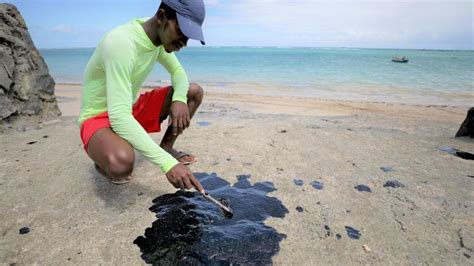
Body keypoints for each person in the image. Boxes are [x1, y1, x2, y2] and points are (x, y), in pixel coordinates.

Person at [78, 0, 206, 192]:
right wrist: (168, 165)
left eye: (190, 38)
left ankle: (166, 147)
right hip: (98, 118)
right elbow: (119, 117)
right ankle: (103, 159)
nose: (185, 43)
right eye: (182, 32)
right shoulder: (122, 42)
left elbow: (178, 72)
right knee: (122, 164)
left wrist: (179, 98)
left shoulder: (157, 38)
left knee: (193, 92)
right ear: (162, 17)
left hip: (129, 107)